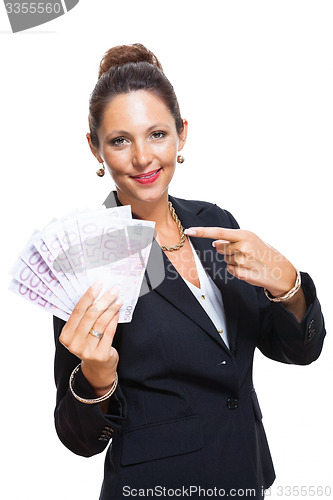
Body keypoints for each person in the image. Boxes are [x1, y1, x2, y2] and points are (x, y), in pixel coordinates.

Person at [53, 44, 326, 500]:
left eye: (157, 133)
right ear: (95, 148)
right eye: (120, 140)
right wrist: (97, 379)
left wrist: (288, 283)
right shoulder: (88, 259)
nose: (143, 158)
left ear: (181, 134)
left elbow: (299, 350)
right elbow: (77, 438)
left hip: (244, 476)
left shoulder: (212, 222)